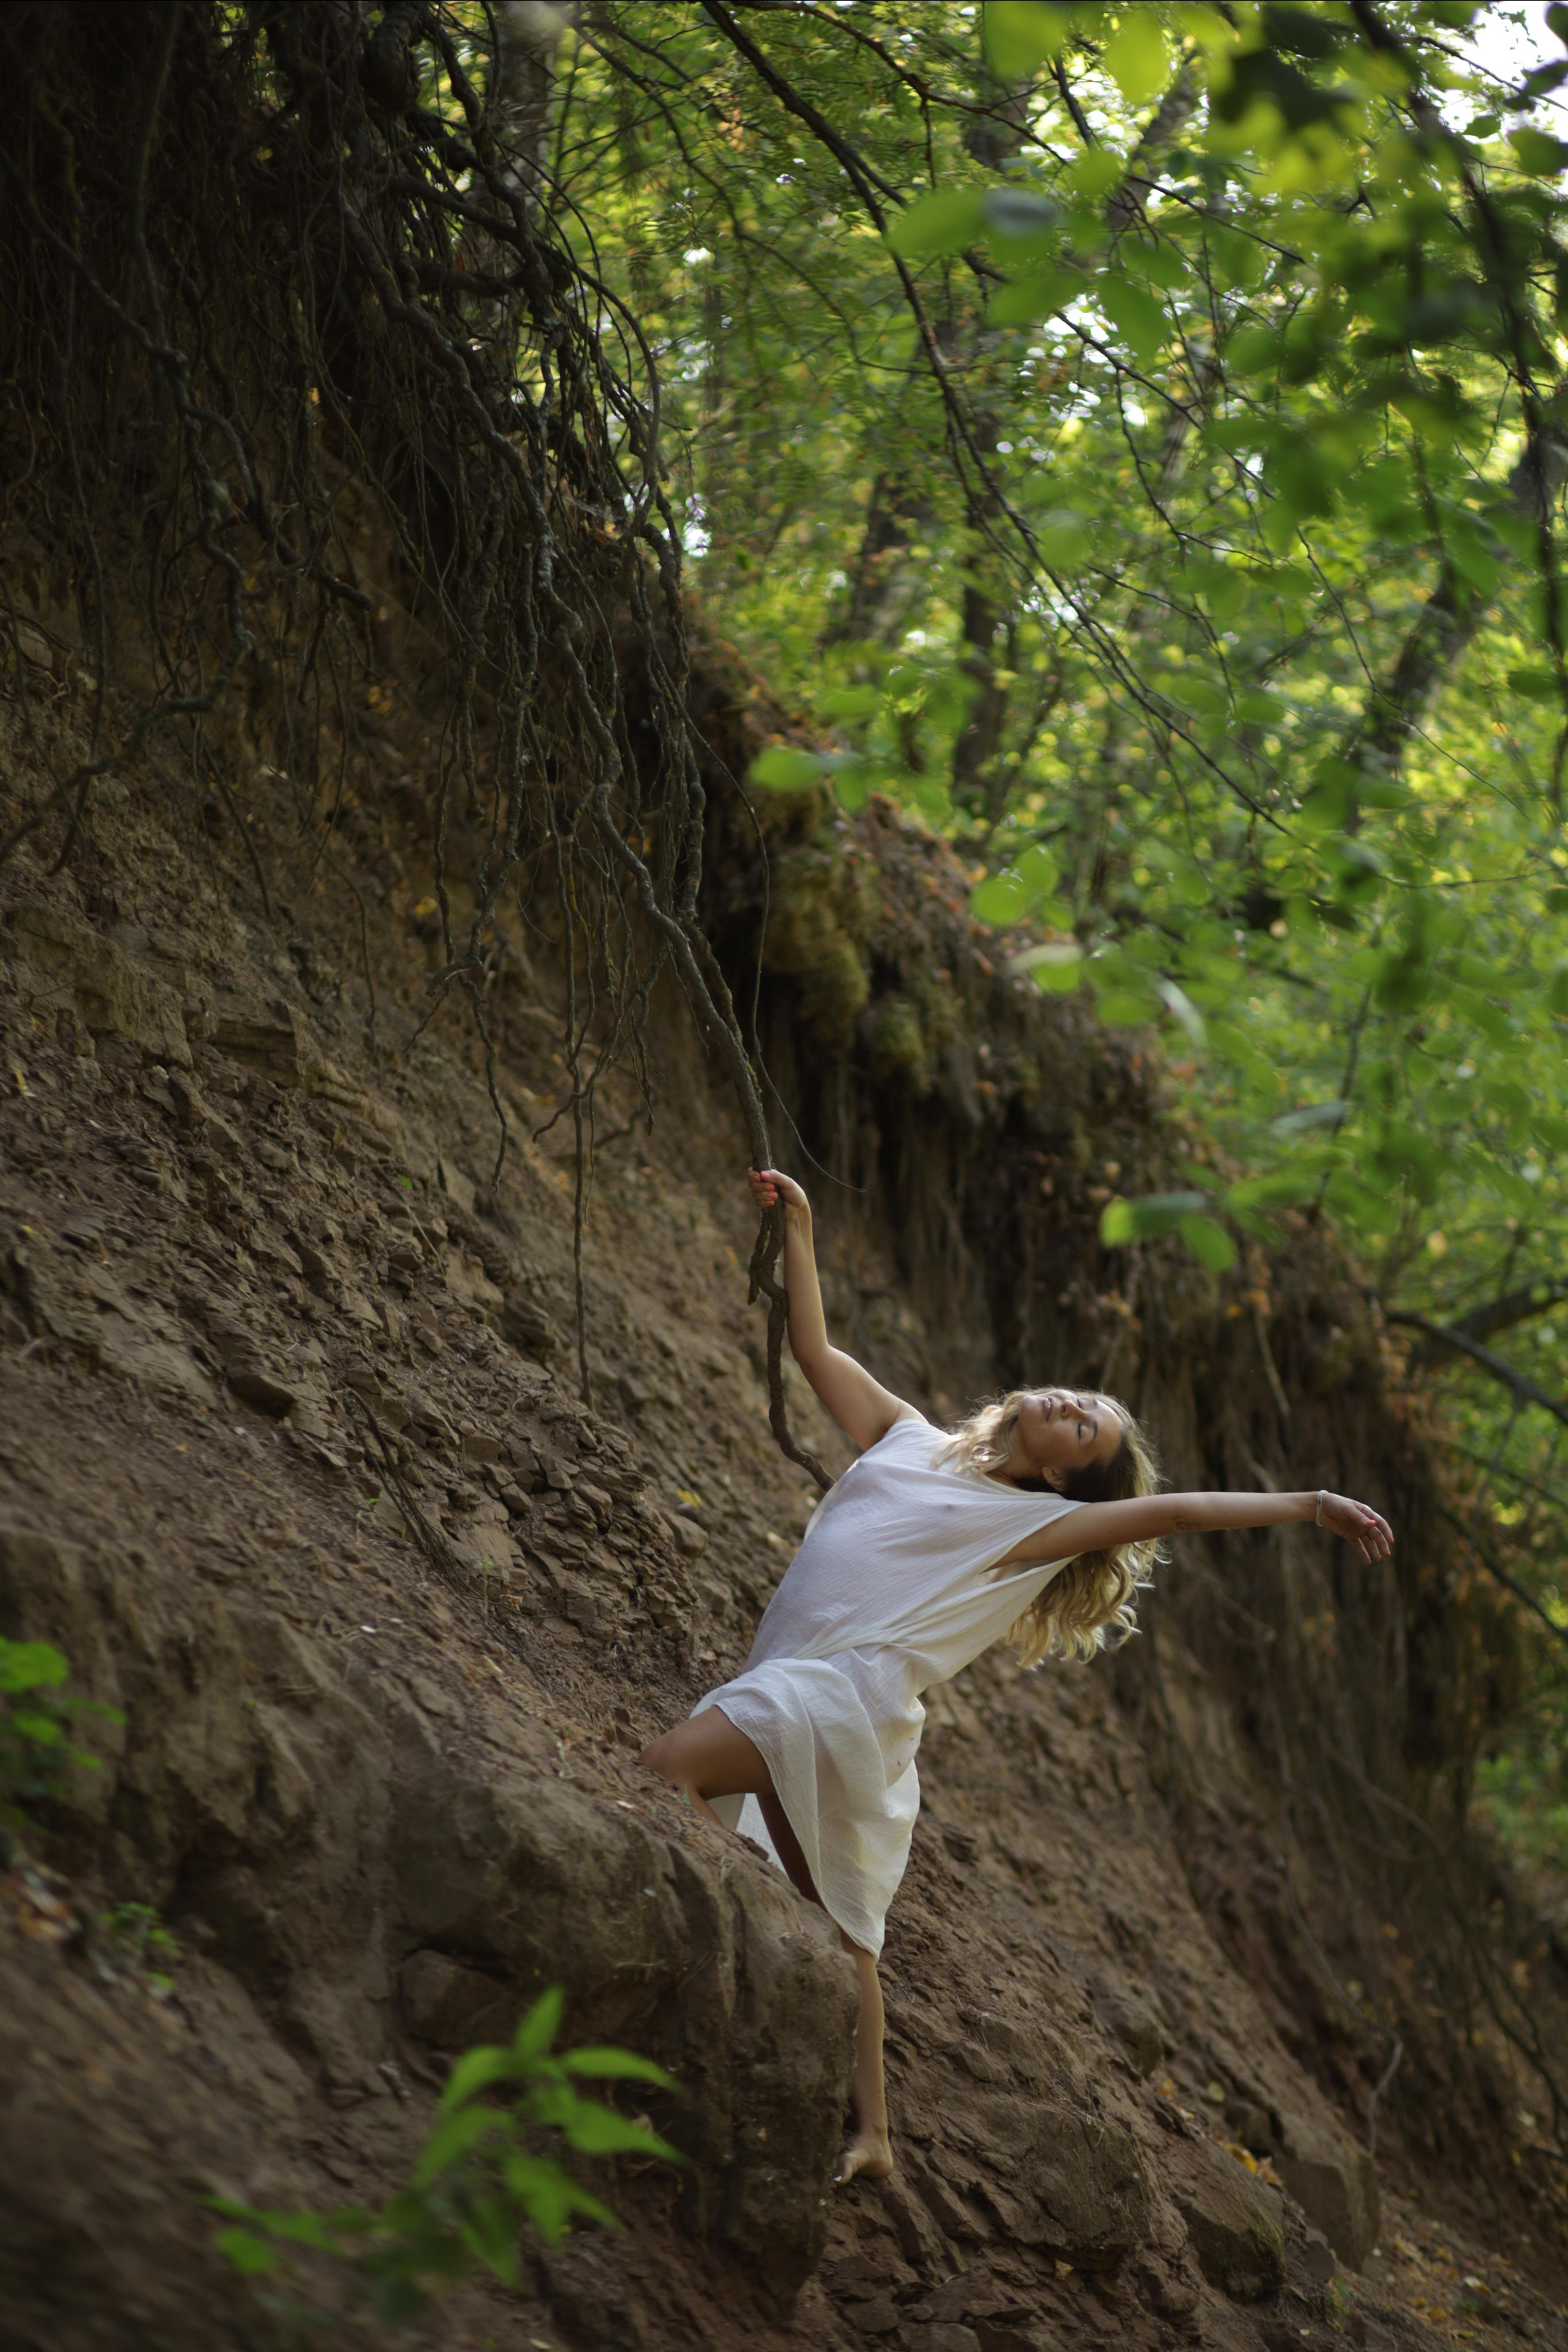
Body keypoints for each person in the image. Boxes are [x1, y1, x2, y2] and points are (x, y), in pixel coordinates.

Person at [639, 1169, 1394, 2186]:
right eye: (1085, 1401)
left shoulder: (1032, 1527)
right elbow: (815, 1350)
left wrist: (1309, 1504)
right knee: (843, 1919)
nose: (1074, 1405)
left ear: (1057, 1477)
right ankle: (876, 2133)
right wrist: (803, 1231)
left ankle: (698, 1965)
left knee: (671, 1772)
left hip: (842, 1698)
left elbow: (1170, 1516)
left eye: (1085, 1429)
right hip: (807, 1686)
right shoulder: (909, 1439)